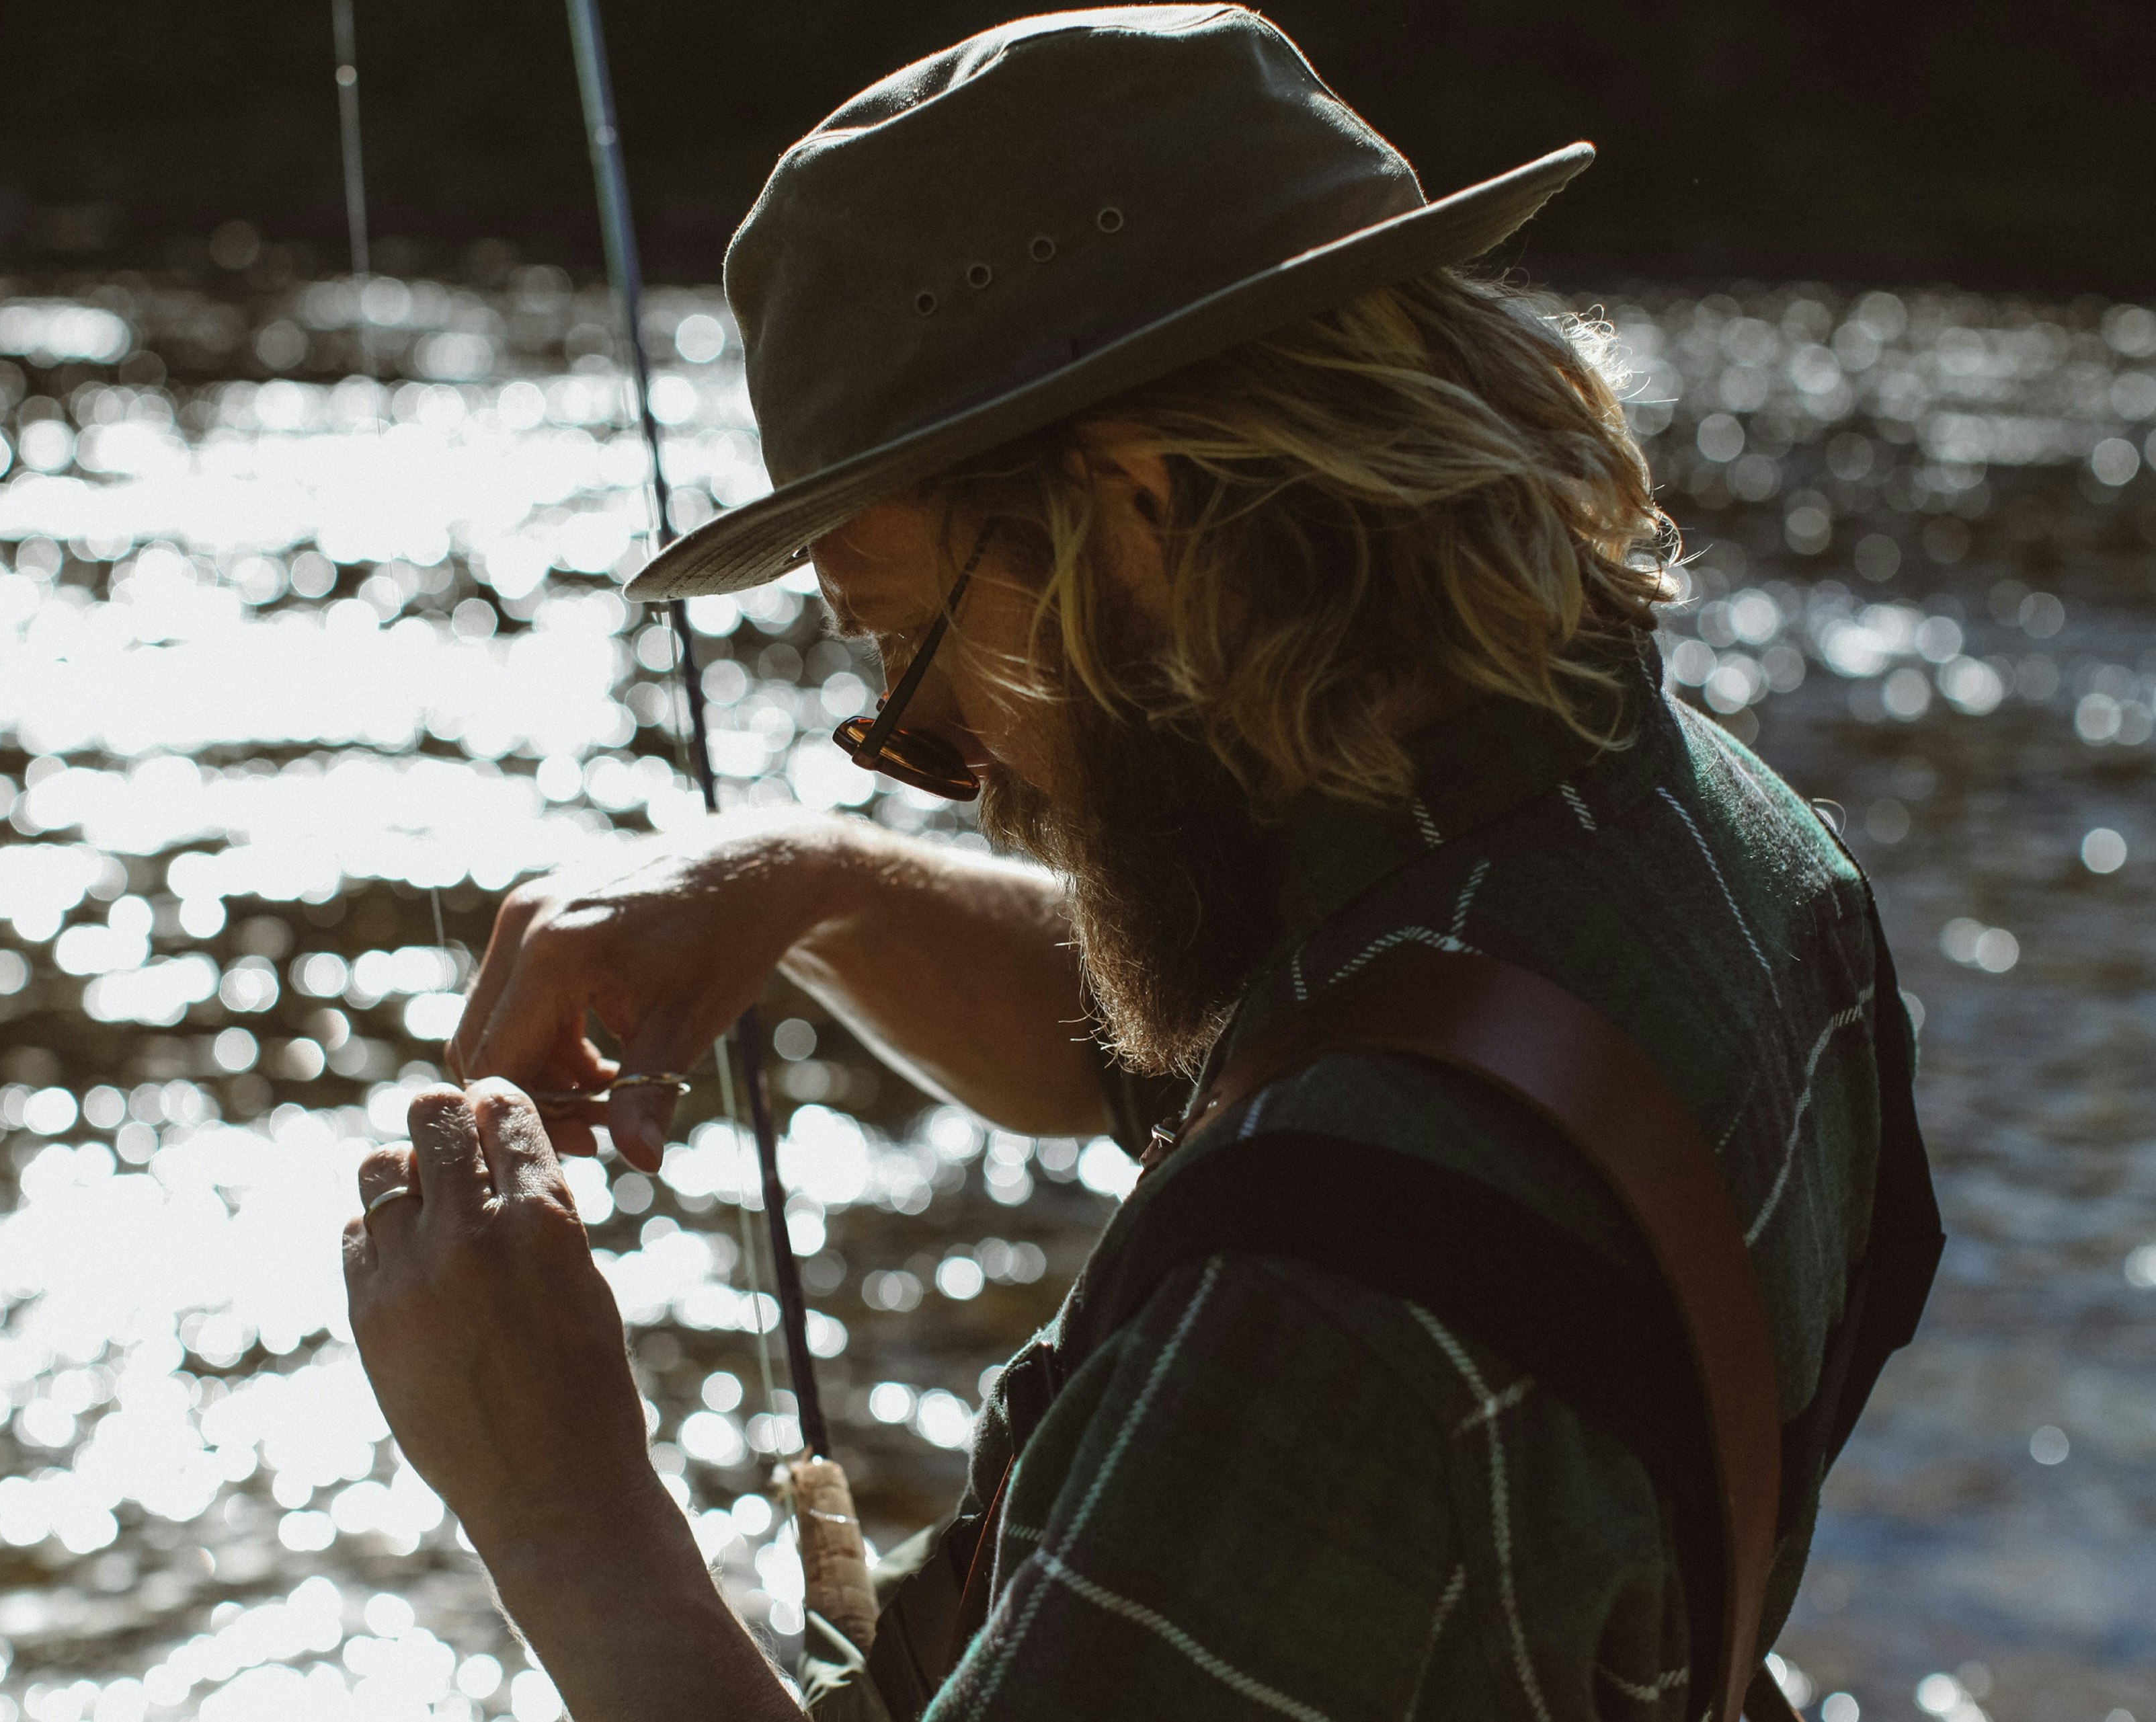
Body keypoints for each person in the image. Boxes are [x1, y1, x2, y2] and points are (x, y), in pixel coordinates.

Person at [341, 10, 1933, 1719]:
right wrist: (815, 884)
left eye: (906, 639)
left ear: (1141, 515)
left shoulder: (1314, 1311)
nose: (918, 748)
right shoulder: (1711, 843)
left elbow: (1346, 1169)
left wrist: (558, 1507)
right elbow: (1282, 1043)